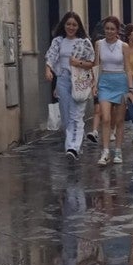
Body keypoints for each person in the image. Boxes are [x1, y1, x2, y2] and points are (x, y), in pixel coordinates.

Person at [44, 11, 95, 161]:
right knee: (66, 117)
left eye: (74, 24)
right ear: (64, 25)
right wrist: (48, 70)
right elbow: (51, 57)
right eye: (68, 24)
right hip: (63, 80)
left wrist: (77, 63)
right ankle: (76, 142)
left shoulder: (84, 42)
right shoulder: (58, 41)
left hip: (79, 80)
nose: (71, 27)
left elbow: (92, 62)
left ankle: (72, 147)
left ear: (78, 26)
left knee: (76, 115)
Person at [94, 16, 133, 166]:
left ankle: (117, 150)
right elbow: (96, 66)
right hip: (105, 82)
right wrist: (94, 85)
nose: (109, 31)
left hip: (120, 82)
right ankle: (105, 151)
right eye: (107, 28)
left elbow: (128, 68)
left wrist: (131, 89)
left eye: (112, 28)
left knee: (118, 120)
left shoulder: (123, 46)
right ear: (104, 29)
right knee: (105, 118)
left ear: (117, 30)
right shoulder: (98, 44)